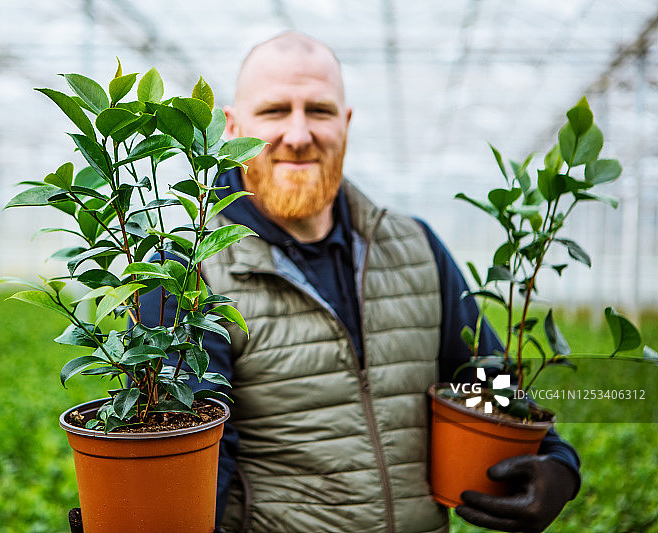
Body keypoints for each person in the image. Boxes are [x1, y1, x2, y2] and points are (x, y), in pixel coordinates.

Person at [71, 31, 581, 533]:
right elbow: (195, 455)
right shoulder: (186, 273)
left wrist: (557, 460)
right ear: (230, 127)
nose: (297, 135)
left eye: (318, 110)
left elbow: (480, 374)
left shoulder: (416, 246)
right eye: (274, 112)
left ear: (346, 122)